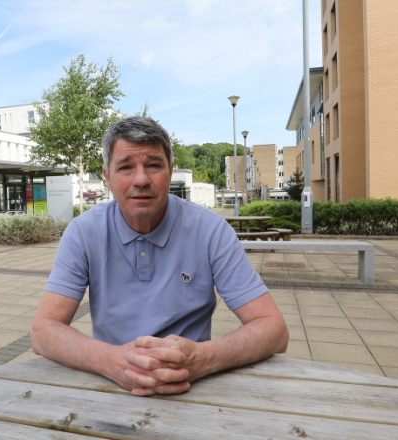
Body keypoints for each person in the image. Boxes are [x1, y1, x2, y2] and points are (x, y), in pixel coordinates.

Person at [31, 116, 288, 396]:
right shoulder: (83, 232)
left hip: (193, 388)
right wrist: (113, 362)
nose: (141, 179)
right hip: (109, 386)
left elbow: (274, 330)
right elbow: (43, 332)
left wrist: (202, 359)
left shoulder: (210, 230)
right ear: (107, 176)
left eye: (153, 165)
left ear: (170, 170)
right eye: (125, 167)